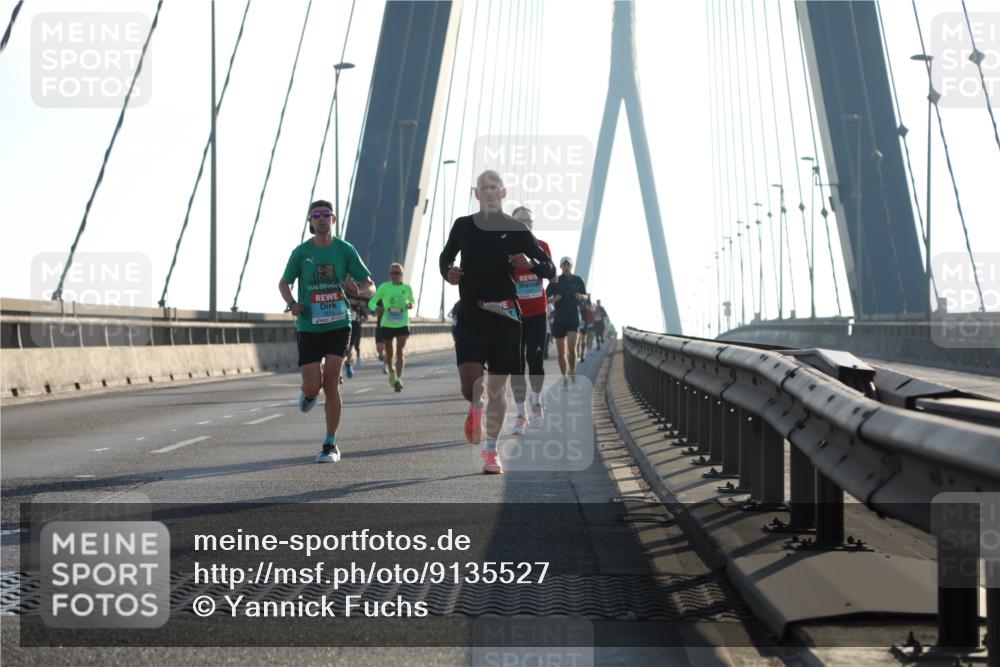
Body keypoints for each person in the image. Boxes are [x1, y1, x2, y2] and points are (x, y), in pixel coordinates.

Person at [439, 170, 555, 474]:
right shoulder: (463, 226)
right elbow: (445, 258)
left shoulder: (516, 229)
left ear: (502, 193)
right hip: (471, 315)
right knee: (470, 385)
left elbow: (549, 268)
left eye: (494, 188)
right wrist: (448, 271)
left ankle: (491, 453)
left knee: (497, 391)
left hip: (505, 316)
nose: (489, 192)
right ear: (476, 195)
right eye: (483, 188)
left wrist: (532, 263)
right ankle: (474, 407)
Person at [279, 199, 374, 463]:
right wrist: (292, 304)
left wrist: (360, 291)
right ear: (310, 222)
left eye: (326, 214)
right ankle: (309, 393)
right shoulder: (301, 252)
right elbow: (284, 283)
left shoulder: (345, 250)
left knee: (331, 381)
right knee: (313, 386)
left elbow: (371, 285)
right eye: (316, 215)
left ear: (333, 219)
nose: (321, 219)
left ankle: (330, 444)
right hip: (309, 326)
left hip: (338, 324)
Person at [509, 206, 552, 434]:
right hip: (513, 315)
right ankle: (519, 414)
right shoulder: (504, 247)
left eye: (528, 222)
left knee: (535, 361)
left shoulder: (542, 246)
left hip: (537, 314)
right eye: (519, 222)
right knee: (516, 366)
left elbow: (551, 272)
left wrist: (533, 264)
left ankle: (535, 403)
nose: (524, 225)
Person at [368, 263, 414, 392]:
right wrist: (376, 308)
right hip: (387, 324)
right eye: (392, 273)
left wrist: (410, 304)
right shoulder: (384, 287)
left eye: (397, 273)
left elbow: (412, 301)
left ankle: (398, 379)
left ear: (401, 274)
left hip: (402, 323)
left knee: (400, 351)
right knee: (389, 354)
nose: (394, 275)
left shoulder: (407, 288)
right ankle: (391, 371)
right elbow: (371, 302)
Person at [546, 257, 587, 385]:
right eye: (564, 264)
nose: (566, 266)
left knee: (572, 349)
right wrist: (553, 300)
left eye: (568, 264)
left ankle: (572, 371)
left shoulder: (578, 280)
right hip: (559, 320)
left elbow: (586, 297)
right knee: (561, 352)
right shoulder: (555, 281)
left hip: (573, 318)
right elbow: (544, 298)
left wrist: (581, 296)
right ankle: (564, 376)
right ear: (560, 266)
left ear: (571, 266)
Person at [343, 283, 369, 379]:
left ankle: (348, 364)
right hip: (341, 325)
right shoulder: (342, 294)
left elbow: (365, 317)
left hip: (354, 326)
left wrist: (360, 319)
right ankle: (339, 373)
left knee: (349, 349)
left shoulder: (358, 305)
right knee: (340, 349)